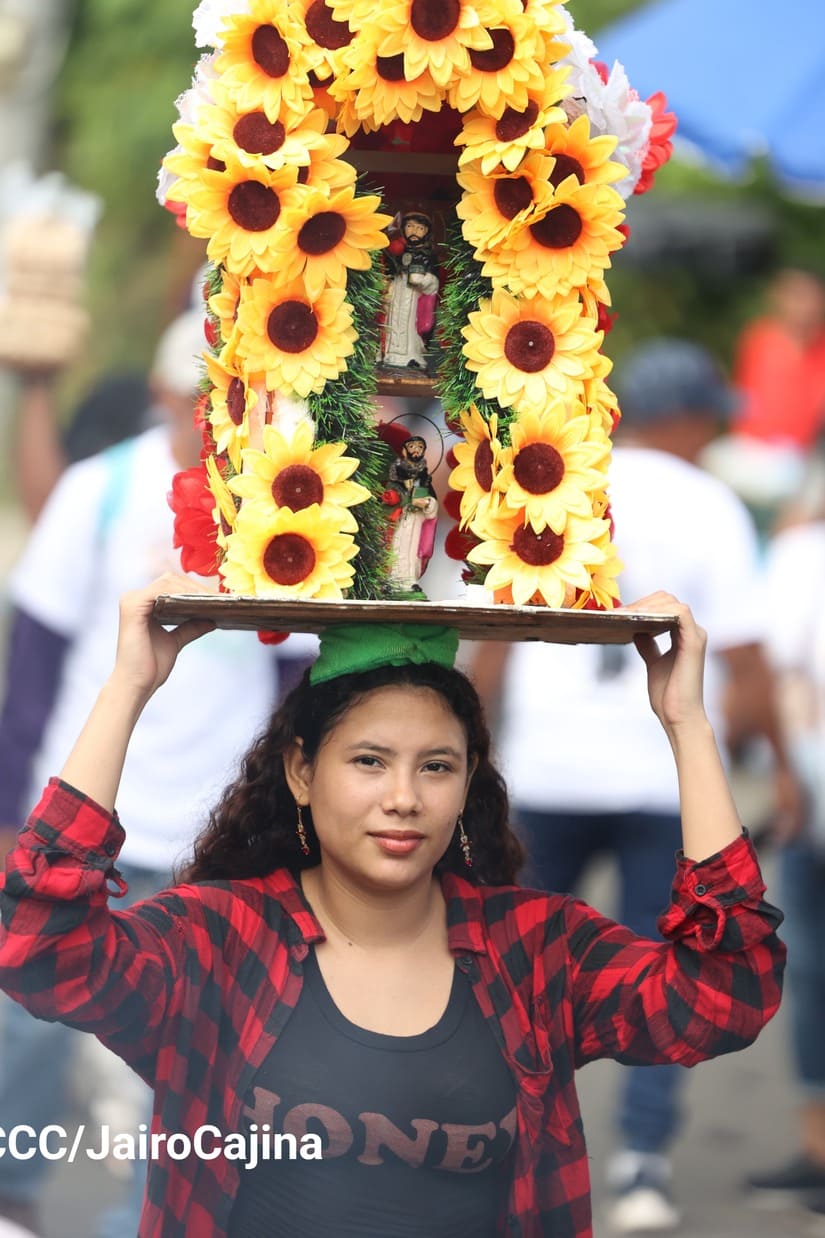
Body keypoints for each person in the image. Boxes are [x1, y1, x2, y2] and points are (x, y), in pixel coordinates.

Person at [0, 569, 785, 1238]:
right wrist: (127, 687)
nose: (403, 798)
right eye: (369, 762)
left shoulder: (534, 949)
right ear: (301, 772)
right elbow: (40, 950)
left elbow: (723, 996)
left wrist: (687, 724)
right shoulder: (220, 937)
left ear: (468, 782)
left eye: (436, 766)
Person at [469, 338, 803, 1234]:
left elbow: (495, 634)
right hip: (659, 780)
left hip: (544, 767)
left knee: (517, 971)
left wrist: (473, 755)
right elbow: (746, 662)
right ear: (685, 418)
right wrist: (767, 762)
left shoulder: (562, 481)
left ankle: (504, 1146)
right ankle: (641, 1162)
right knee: (668, 970)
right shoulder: (709, 503)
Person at [0, 310, 313, 1238]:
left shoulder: (287, 508)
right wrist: (11, 815)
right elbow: (34, 668)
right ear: (164, 395)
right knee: (28, 1018)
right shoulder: (98, 490)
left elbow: (298, 689)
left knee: (194, 1045)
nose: (221, 418)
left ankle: (149, 1216)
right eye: (203, 398)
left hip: (213, 830)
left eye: (244, 400)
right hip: (86, 816)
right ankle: (11, 1197)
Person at [745, 488, 825, 1219]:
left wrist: (785, 773)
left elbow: (776, 665)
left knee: (815, 973)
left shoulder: (804, 550)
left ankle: (819, 1150)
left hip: (816, 781)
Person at [381, 211, 440, 370]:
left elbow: (435, 282)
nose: (414, 231)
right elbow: (389, 271)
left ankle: (412, 355)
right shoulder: (398, 251)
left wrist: (424, 280)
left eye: (419, 228)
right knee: (393, 321)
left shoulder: (428, 255)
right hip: (398, 291)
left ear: (426, 232)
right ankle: (390, 354)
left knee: (411, 325)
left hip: (415, 296)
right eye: (410, 226)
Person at [385, 435, 439, 595]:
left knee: (412, 551)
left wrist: (427, 504)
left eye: (420, 447)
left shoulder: (424, 477)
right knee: (396, 548)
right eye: (412, 447)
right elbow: (388, 497)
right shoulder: (396, 473)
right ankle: (392, 580)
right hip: (399, 520)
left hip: (416, 521)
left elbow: (432, 503)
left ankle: (410, 581)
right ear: (404, 450)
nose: (416, 450)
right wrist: (399, 501)